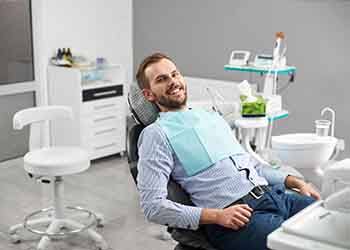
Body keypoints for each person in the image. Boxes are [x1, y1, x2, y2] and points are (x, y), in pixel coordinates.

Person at [135, 52, 320, 250]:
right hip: (238, 218)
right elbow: (153, 206)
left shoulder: (211, 117)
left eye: (175, 74)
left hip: (276, 197)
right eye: (162, 79)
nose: (173, 81)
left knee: (332, 225)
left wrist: (295, 181)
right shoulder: (156, 134)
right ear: (149, 94)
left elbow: (253, 165)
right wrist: (217, 216)